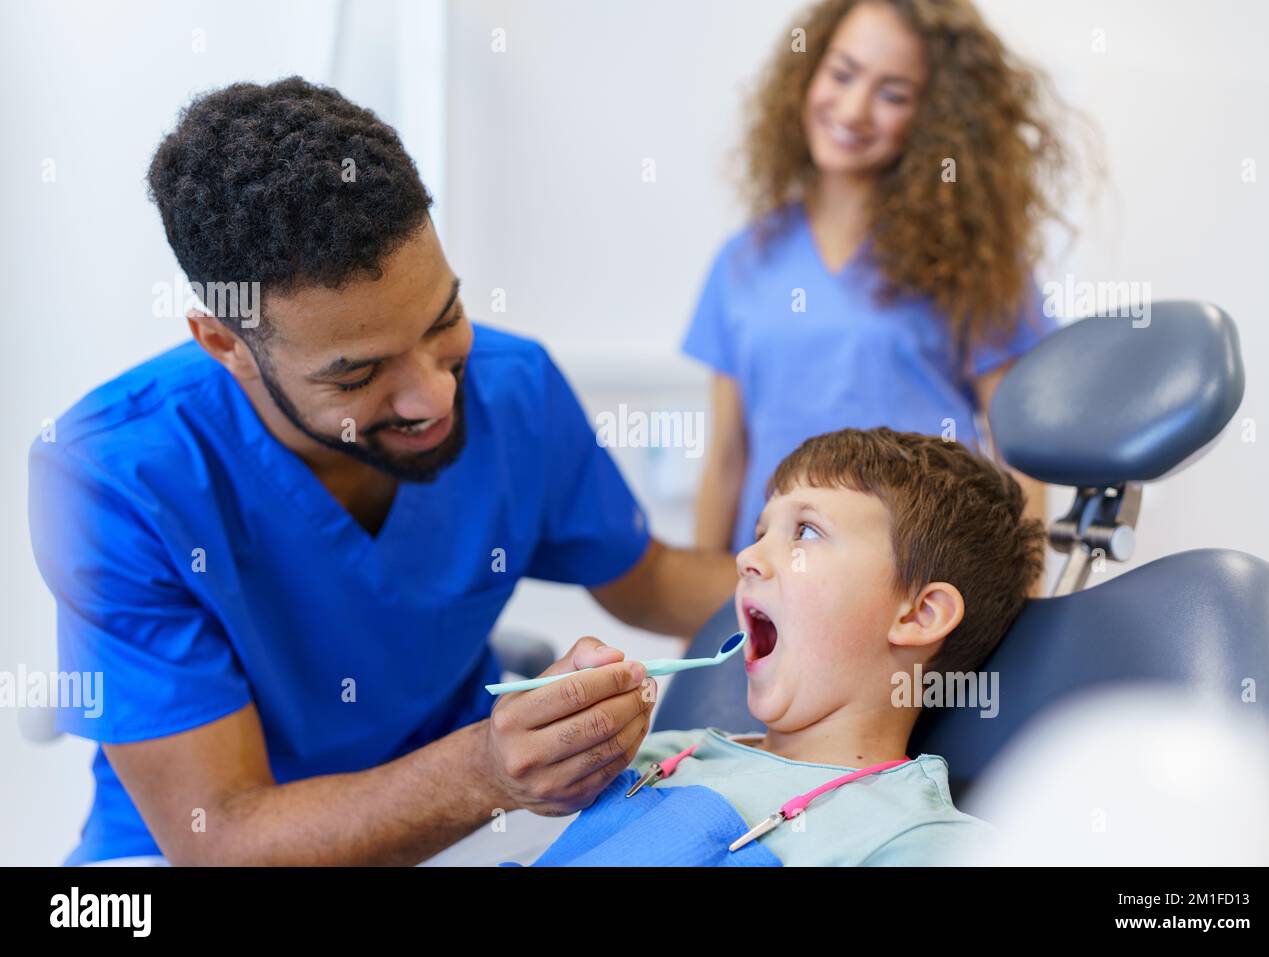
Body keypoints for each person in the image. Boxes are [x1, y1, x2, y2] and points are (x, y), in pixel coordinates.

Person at [27, 77, 735, 866]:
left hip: (457, 828)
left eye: (445, 322)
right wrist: (489, 768)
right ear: (226, 344)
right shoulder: (114, 479)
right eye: (357, 375)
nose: (434, 396)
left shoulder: (516, 387)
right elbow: (224, 835)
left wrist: (827, 579)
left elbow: (652, 580)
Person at [504, 427, 1045, 866]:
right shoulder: (658, 756)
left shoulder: (919, 838)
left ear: (919, 614)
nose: (747, 556)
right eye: (760, 531)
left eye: (806, 532)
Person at [685, 0, 1081, 593]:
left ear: (935, 117)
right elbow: (726, 458)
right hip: (779, 595)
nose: (852, 109)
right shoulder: (744, 261)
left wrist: (1018, 614)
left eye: (893, 94)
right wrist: (698, 618)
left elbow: (1018, 456)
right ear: (808, 72)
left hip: (922, 586)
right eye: (842, 74)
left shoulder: (975, 262)